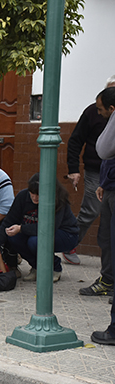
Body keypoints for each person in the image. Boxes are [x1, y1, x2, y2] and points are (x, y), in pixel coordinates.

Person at [64, 75, 115, 267]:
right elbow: (76, 140)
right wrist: (73, 169)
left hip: (111, 173)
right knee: (91, 210)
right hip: (96, 169)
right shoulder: (93, 112)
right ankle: (69, 243)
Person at [0, 173, 79, 283]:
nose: (35, 197)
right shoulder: (23, 196)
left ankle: (55, 268)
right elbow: (9, 220)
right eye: (32, 193)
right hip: (35, 233)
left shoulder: (57, 200)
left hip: (66, 235)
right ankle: (36, 267)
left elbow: (49, 228)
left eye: (38, 194)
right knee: (14, 237)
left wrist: (21, 229)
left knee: (35, 241)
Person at [91, 87, 115, 345]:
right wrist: (104, 181)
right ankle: (108, 280)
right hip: (109, 187)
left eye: (101, 110)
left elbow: (103, 148)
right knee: (106, 240)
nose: (99, 114)